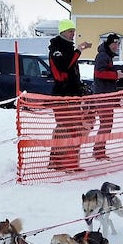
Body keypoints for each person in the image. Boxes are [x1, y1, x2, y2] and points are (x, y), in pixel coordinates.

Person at [47, 18, 92, 171]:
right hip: (62, 96)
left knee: (72, 129)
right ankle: (60, 162)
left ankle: (67, 162)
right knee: (66, 129)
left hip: (72, 95)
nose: (73, 34)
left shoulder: (67, 48)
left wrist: (80, 87)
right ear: (63, 32)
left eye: (74, 31)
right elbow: (65, 66)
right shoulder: (56, 49)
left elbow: (72, 72)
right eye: (71, 31)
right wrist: (78, 50)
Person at [89, 33, 123, 160]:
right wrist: (115, 75)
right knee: (106, 124)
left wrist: (115, 74)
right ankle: (98, 151)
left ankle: (99, 150)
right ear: (109, 44)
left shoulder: (107, 56)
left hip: (106, 95)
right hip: (102, 96)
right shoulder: (103, 56)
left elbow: (104, 72)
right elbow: (99, 73)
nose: (116, 46)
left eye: (118, 43)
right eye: (114, 43)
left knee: (107, 124)